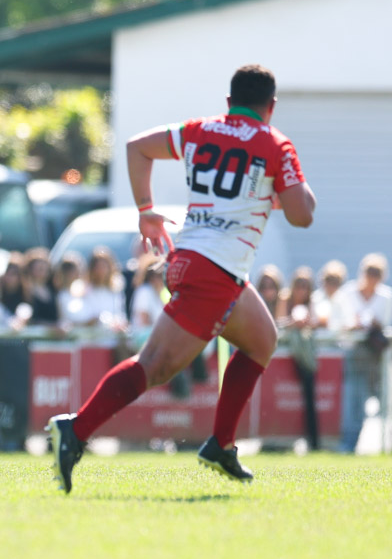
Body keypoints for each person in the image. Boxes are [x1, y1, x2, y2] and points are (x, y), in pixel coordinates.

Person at [48, 64, 315, 492]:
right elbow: (302, 214)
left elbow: (137, 148)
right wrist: (296, 187)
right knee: (154, 366)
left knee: (263, 338)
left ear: (229, 103)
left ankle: (221, 445)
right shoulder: (274, 143)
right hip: (214, 270)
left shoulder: (202, 129)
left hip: (195, 259)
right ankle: (76, 430)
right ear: (272, 107)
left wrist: (145, 209)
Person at [328, 253, 392, 454]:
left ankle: (386, 445)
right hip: (354, 355)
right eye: (369, 272)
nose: (372, 277)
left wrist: (377, 327)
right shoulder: (347, 294)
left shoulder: (386, 297)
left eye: (377, 273)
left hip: (378, 358)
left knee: (385, 402)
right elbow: (335, 324)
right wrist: (351, 326)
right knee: (354, 401)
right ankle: (349, 444)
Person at [277, 266, 320, 450]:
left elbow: (317, 322)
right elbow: (278, 322)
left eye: (305, 286)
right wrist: (293, 324)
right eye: (299, 285)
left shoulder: (312, 302)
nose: (302, 289)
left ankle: (313, 441)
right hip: (281, 358)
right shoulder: (284, 299)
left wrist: (307, 322)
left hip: (304, 360)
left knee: (309, 399)